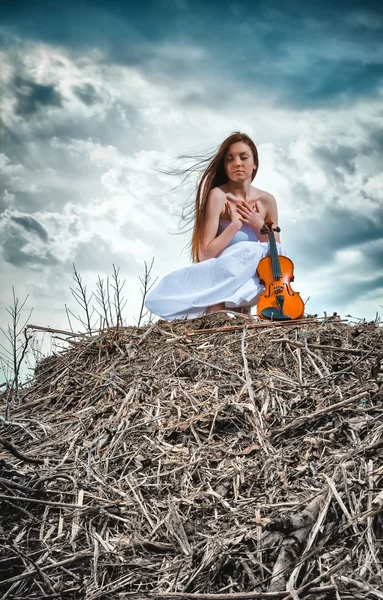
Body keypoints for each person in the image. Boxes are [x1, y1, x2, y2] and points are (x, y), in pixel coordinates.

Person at [145, 132, 286, 321]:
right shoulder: (218, 196)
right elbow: (204, 254)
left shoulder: (267, 201)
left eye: (243, 157)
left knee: (268, 249)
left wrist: (259, 224)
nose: (237, 163)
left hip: (255, 285)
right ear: (225, 167)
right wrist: (234, 226)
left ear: (254, 164)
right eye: (230, 159)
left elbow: (276, 250)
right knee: (245, 249)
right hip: (219, 285)